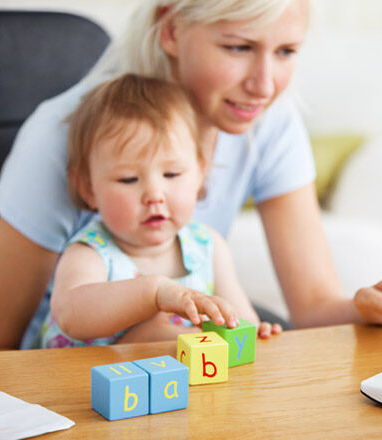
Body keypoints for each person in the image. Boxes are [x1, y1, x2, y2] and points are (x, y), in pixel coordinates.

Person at [0, 0, 382, 350]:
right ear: (169, 29)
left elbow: (312, 308)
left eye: (286, 51)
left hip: (184, 363)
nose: (264, 86)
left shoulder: (269, 120)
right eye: (239, 47)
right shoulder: (58, 136)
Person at [37, 73, 277, 348]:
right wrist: (154, 292)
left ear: (200, 173)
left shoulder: (208, 246)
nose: (154, 196)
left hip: (182, 386)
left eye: (172, 174)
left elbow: (236, 318)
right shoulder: (90, 253)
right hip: (83, 384)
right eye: (128, 179)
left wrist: (254, 332)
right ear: (89, 189)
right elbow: (70, 316)